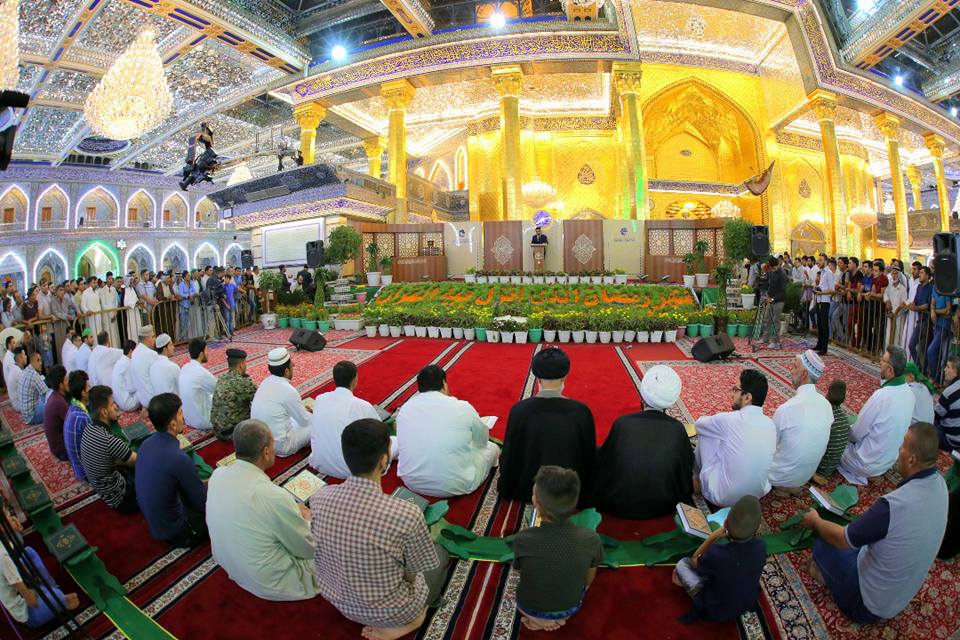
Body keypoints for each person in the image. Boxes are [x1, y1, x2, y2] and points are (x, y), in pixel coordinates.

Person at [311, 419, 447, 639]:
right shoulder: (406, 514)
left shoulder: (319, 497)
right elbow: (412, 576)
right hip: (392, 612)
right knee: (439, 554)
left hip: (338, 602)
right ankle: (414, 620)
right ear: (384, 460)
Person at [801, 422, 948, 622]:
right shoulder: (941, 486)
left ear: (912, 459)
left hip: (866, 605)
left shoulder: (893, 505)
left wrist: (816, 522)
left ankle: (831, 579)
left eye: (902, 446)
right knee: (861, 538)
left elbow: (842, 539)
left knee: (824, 543)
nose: (898, 450)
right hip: (898, 599)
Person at [207, 419, 319, 600]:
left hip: (228, 563)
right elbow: (307, 548)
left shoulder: (217, 475)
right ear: (266, 452)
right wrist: (307, 518)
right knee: (335, 548)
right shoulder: (273, 496)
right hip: (271, 580)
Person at [511, 465, 603, 631]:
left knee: (523, 598)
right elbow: (589, 579)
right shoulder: (591, 539)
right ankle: (557, 619)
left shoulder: (523, 539)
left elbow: (520, 570)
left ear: (536, 503)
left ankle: (538, 621)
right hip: (570, 607)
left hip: (529, 607)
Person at [498, 348, 596, 504]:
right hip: (568, 488)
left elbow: (510, 454)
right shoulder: (581, 412)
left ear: (536, 377)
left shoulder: (519, 410)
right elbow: (588, 456)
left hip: (527, 489)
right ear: (566, 375)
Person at [594, 364, 691, 518]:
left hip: (617, 504)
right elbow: (685, 474)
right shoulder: (677, 429)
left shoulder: (623, 423)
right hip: (663, 507)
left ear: (643, 395)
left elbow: (606, 464)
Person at [396, 365, 500, 497]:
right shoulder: (462, 407)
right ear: (444, 384)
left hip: (411, 482)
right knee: (492, 448)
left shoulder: (405, 408)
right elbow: (482, 442)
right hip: (456, 485)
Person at [672, 496, 766, 624]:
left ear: (726, 523)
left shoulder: (716, 553)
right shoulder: (761, 545)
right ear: (758, 528)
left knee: (683, 563)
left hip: (715, 611)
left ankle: (685, 585)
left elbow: (694, 560)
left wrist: (712, 537)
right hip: (745, 603)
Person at [693, 369, 776, 507]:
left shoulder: (730, 420)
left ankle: (696, 480)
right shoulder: (770, 424)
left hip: (724, 497)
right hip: (756, 495)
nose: (732, 394)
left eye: (736, 390)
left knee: (707, 434)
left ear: (747, 397)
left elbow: (698, 425)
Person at [136, 394, 208, 547]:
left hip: (156, 524)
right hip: (178, 531)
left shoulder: (146, 443)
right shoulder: (178, 458)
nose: (183, 417)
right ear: (173, 424)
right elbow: (202, 503)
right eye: (180, 413)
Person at [839, 345, 915, 485]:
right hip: (888, 462)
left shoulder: (881, 396)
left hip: (865, 463)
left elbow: (856, 434)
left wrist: (841, 431)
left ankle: (861, 474)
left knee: (834, 437)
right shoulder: (910, 393)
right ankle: (873, 473)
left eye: (883, 360)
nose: (880, 362)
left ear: (890, 370)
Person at [0, 500, 81, 628]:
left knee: (29, 552)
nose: (11, 516)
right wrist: (32, 590)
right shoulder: (3, 557)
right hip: (29, 612)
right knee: (56, 596)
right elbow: (32, 601)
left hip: (18, 579)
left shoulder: (4, 546)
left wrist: (15, 530)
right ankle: (59, 598)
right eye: (7, 515)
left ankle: (53, 590)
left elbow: (17, 549)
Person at [308, 361, 388, 479]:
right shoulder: (362, 405)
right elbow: (380, 434)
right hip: (353, 470)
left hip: (319, 463)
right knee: (391, 442)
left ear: (334, 379)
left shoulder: (320, 399)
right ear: (355, 380)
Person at [768, 350, 832, 491]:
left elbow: (770, 446)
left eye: (795, 367)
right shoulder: (826, 405)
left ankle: (782, 487)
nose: (791, 371)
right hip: (805, 476)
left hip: (779, 477)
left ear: (804, 374)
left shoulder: (787, 409)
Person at [79, 385, 138, 512]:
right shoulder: (108, 440)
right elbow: (139, 461)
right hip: (123, 498)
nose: (116, 407)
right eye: (112, 404)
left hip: (106, 492)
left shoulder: (89, 429)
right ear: (104, 412)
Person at [250, 348, 312, 456]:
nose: (293, 366)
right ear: (286, 371)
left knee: (294, 417)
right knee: (318, 424)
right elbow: (305, 421)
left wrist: (302, 411)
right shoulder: (288, 390)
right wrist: (313, 414)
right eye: (291, 365)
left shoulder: (265, 382)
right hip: (282, 446)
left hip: (262, 443)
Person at [211, 348, 256, 441]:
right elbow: (260, 399)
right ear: (241, 365)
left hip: (217, 430)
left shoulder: (221, 378)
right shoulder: (243, 382)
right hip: (234, 433)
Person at [814, 380, 851, 482]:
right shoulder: (844, 418)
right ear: (843, 399)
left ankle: (813, 475)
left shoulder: (824, 415)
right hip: (830, 469)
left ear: (827, 395)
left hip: (818, 468)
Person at [178, 338, 217, 430]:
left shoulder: (184, 367)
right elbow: (219, 389)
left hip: (187, 419)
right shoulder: (201, 373)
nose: (208, 353)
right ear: (201, 354)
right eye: (206, 350)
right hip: (204, 421)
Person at [63, 370, 91, 481]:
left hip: (77, 468)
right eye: (88, 387)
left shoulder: (72, 406)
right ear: (83, 393)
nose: (90, 389)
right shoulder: (83, 418)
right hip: (86, 472)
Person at [42, 365, 69, 461]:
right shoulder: (59, 402)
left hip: (56, 447)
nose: (69, 382)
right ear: (61, 385)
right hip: (62, 451)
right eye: (66, 380)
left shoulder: (55, 395)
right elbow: (73, 426)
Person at [927, 284, 954, 379]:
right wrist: (933, 310)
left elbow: (948, 310)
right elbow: (932, 303)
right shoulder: (935, 286)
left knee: (932, 351)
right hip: (936, 325)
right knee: (937, 353)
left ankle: (935, 378)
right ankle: (936, 378)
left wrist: (934, 312)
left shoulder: (947, 288)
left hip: (945, 326)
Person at [17, 351, 49, 426]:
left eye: (41, 360)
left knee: (45, 383)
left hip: (25, 414)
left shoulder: (26, 370)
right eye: (38, 360)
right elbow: (48, 395)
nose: (41, 363)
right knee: (54, 403)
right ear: (32, 361)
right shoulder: (34, 375)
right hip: (31, 416)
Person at [935, 355, 960, 451]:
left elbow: (936, 415)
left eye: (948, 367)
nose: (945, 369)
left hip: (950, 440)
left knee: (923, 422)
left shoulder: (949, 392)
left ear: (956, 372)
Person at [762, 256, 787, 349]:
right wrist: (768, 295)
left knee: (776, 321)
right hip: (770, 299)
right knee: (767, 319)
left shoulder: (782, 274)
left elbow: (783, 291)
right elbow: (770, 286)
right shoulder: (772, 272)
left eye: (774, 268)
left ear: (778, 265)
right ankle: (765, 338)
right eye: (771, 268)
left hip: (779, 301)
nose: (773, 269)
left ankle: (775, 342)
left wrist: (773, 299)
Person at [814, 256, 836, 355]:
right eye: (818, 260)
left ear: (826, 261)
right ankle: (819, 344)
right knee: (819, 324)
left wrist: (821, 293)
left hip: (825, 301)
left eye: (820, 260)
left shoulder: (829, 273)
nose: (818, 262)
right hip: (819, 300)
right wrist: (816, 289)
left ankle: (824, 348)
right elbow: (822, 286)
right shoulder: (822, 272)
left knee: (824, 325)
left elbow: (832, 290)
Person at [111, 340, 140, 413]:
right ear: (131, 351)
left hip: (119, 402)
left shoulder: (120, 361)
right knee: (145, 386)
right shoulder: (128, 364)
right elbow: (131, 388)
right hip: (128, 404)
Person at [5, 346, 25, 415]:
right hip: (19, 404)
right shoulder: (17, 372)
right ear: (20, 357)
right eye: (24, 355)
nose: (26, 357)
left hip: (16, 401)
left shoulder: (15, 367)